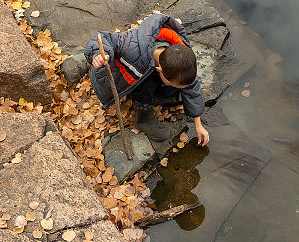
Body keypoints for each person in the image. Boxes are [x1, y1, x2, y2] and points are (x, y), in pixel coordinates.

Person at [85, 13, 209, 146]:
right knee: (147, 85)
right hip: (118, 74)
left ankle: (164, 88)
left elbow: (192, 87)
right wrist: (98, 55)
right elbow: (102, 37)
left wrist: (198, 124)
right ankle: (143, 119)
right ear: (159, 70)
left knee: (175, 85)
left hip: (145, 70)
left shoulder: (180, 56)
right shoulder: (130, 46)